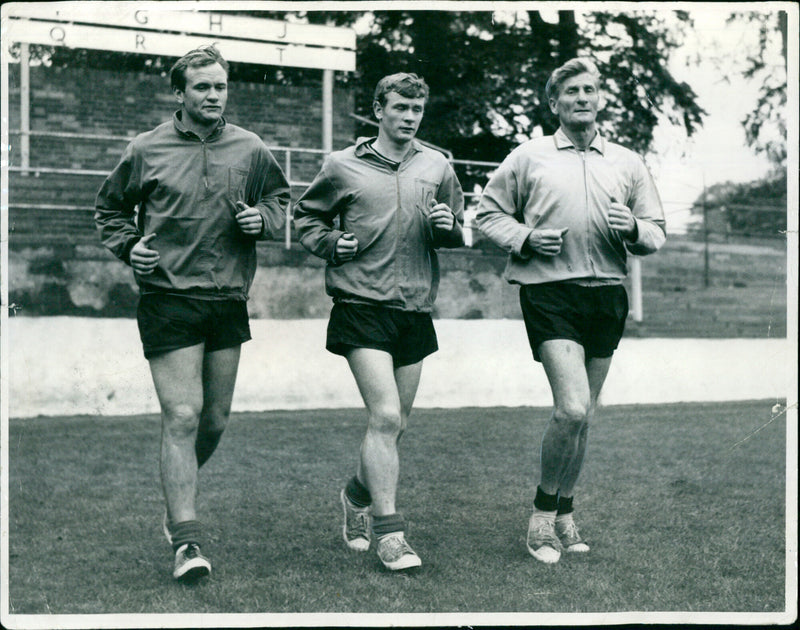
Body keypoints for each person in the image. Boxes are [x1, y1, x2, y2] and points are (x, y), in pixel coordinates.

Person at [94, 45, 290, 581]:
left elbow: (280, 199)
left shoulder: (250, 148)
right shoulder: (146, 147)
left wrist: (264, 221)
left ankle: (175, 500)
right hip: (167, 294)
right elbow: (109, 208)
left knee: (214, 420)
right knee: (182, 415)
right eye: (201, 87)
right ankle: (186, 539)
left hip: (227, 297)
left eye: (220, 86)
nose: (212, 95)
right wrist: (129, 244)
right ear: (179, 92)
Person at [475, 58, 666, 564]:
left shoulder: (626, 162)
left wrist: (632, 230)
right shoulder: (529, 156)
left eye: (590, 90)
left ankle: (565, 514)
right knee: (572, 407)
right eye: (572, 92)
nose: (583, 97)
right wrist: (524, 237)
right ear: (554, 103)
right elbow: (488, 213)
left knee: (584, 418)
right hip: (549, 292)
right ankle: (541, 517)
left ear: (599, 99)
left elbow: (656, 231)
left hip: (606, 293)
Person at [293, 73, 464, 571]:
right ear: (378, 109)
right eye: (400, 108)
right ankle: (391, 534)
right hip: (360, 305)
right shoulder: (342, 165)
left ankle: (355, 495)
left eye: (417, 110)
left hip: (413, 309)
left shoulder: (438, 165)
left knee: (396, 425)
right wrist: (330, 243)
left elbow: (455, 229)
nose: (409, 117)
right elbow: (307, 217)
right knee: (386, 417)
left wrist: (447, 228)